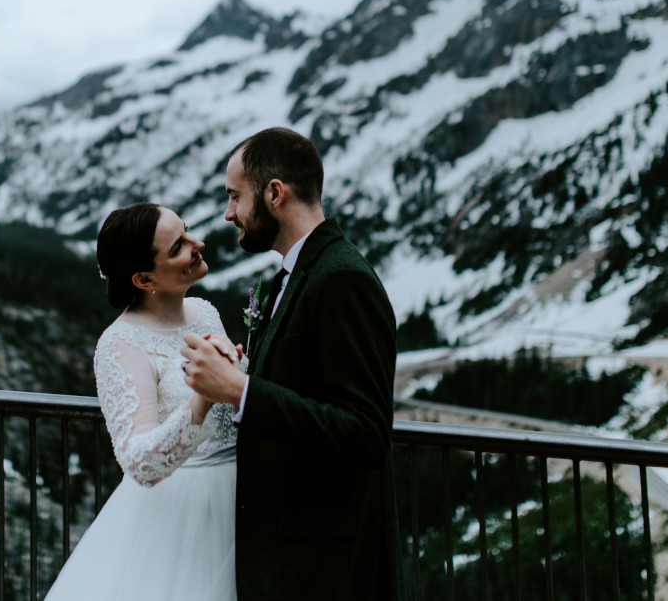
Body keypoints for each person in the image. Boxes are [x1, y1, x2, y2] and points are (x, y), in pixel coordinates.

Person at [182, 127, 402, 601]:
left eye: (235, 197)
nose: (228, 213)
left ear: (274, 193)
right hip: (284, 554)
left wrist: (241, 391)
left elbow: (364, 432)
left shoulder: (342, 278)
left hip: (321, 567)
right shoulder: (294, 273)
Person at [44, 203, 242, 601]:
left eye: (186, 231)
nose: (197, 244)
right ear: (143, 278)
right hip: (183, 517)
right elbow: (140, 461)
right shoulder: (120, 344)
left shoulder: (205, 312)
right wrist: (203, 397)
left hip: (246, 493)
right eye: (178, 247)